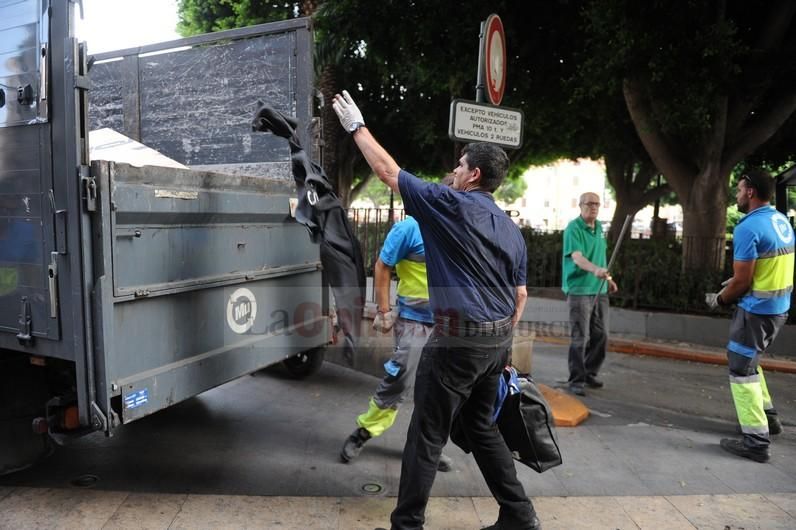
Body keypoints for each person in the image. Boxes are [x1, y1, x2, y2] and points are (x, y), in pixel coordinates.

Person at [333, 90, 540, 530]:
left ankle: (406, 524)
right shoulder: (511, 230)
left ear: (473, 175)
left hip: (456, 342)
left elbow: (388, 171)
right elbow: (519, 296)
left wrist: (356, 127)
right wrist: (500, 353)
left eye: (460, 165)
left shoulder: (450, 205)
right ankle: (520, 515)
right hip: (497, 341)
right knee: (482, 429)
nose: (454, 170)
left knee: (427, 434)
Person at [340, 212, 453, 473]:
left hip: (448, 324)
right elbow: (382, 265)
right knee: (401, 378)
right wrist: (383, 310)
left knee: (439, 388)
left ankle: (428, 446)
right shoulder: (409, 228)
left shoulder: (458, 226)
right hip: (414, 320)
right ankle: (364, 431)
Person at [705, 169, 793, 463]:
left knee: (741, 369)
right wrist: (737, 282)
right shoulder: (780, 220)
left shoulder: (747, 228)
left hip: (756, 312)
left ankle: (756, 442)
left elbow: (743, 281)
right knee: (751, 361)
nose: (738, 195)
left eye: (740, 190)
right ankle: (769, 418)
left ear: (751, 192)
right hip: (778, 308)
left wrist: (720, 298)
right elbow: (766, 267)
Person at [561, 193, 618, 396]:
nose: (593, 207)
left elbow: (600, 257)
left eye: (597, 204)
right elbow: (577, 257)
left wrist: (608, 279)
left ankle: (589, 372)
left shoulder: (600, 227)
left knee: (601, 335)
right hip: (579, 290)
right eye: (589, 204)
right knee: (580, 337)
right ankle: (576, 379)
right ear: (580, 205)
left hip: (599, 289)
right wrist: (595, 270)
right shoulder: (573, 228)